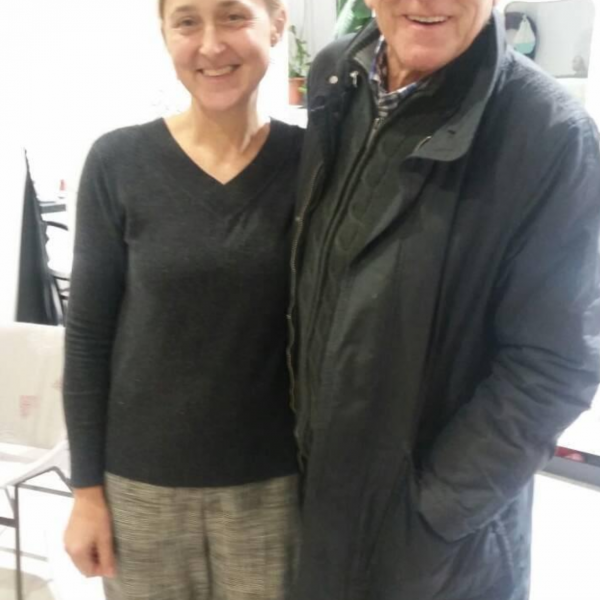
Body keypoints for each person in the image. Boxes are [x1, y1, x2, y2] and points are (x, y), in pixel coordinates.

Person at [288, 1, 600, 600]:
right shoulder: (336, 75)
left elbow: (555, 366)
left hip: (436, 556)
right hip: (318, 509)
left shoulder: (548, 133)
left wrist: (432, 515)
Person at [63, 1, 302, 599]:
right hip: (140, 490)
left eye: (233, 16)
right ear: (165, 33)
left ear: (276, 24)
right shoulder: (117, 163)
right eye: (188, 21)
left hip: (275, 490)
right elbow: (88, 337)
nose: (211, 45)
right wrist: (87, 492)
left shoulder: (316, 163)